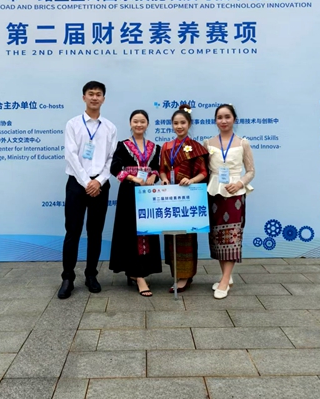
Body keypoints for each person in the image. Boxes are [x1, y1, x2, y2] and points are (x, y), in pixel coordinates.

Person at [58, 81, 117, 299]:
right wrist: (87, 182)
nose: (94, 97)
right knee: (72, 231)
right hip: (77, 183)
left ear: (103, 99)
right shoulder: (73, 124)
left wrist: (98, 181)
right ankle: (67, 278)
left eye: (98, 94)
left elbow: (111, 159)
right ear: (84, 97)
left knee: (95, 232)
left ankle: (91, 274)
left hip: (100, 185)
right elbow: (71, 155)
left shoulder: (110, 127)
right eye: (90, 94)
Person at [203, 104, 255, 299]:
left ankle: (224, 280)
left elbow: (251, 171)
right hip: (214, 193)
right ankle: (227, 276)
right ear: (215, 120)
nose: (223, 121)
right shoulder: (208, 143)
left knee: (232, 236)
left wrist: (240, 183)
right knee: (218, 237)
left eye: (227, 117)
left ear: (234, 119)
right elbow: (204, 170)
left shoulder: (243, 143)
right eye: (219, 117)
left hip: (235, 195)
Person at [109, 110, 162, 296]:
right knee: (130, 231)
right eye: (135, 121)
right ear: (130, 124)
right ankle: (137, 275)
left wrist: (153, 176)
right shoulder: (122, 145)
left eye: (142, 121)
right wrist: (133, 178)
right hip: (129, 192)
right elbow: (115, 168)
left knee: (146, 230)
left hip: (147, 193)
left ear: (147, 124)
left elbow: (157, 168)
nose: (139, 124)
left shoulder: (155, 147)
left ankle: (141, 271)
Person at [160, 105, 208, 292]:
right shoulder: (166, 147)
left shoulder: (196, 147)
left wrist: (191, 180)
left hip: (188, 196)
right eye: (176, 123)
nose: (179, 126)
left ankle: (186, 276)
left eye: (183, 123)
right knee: (172, 235)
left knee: (186, 236)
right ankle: (176, 273)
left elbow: (204, 172)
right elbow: (162, 170)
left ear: (189, 124)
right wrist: (164, 180)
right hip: (170, 196)